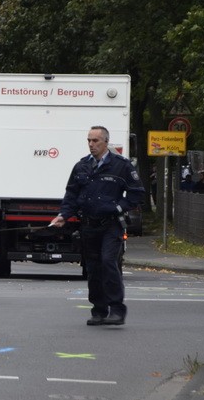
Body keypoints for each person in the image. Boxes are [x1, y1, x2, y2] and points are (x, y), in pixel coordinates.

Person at [50, 126, 144, 326]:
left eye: (96, 141)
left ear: (106, 142)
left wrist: (118, 207)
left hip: (110, 225)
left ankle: (117, 310)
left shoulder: (121, 166)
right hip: (88, 225)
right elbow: (72, 195)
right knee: (93, 268)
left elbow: (137, 194)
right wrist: (63, 216)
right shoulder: (81, 166)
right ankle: (99, 310)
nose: (91, 145)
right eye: (89, 141)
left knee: (109, 262)